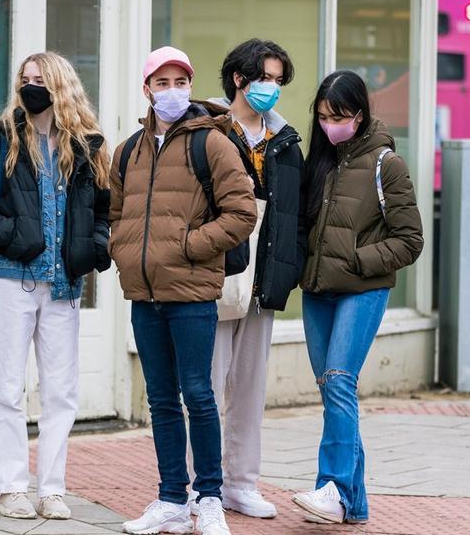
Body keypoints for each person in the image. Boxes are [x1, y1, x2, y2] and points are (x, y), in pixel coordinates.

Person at [0, 52, 112, 521]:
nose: (30, 87)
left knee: (61, 392)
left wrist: (94, 246)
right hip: (11, 279)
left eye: (39, 80)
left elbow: (106, 209)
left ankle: (52, 490)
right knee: (5, 388)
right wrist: (12, 235)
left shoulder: (87, 146)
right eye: (25, 79)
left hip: (65, 285)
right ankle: (10, 488)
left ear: (60, 85)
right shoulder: (1, 141)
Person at [110, 46, 257, 535]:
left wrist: (191, 245)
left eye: (181, 82)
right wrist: (123, 250)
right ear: (146, 89)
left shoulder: (211, 143)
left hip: (192, 294)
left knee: (198, 395)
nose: (172, 91)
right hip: (144, 295)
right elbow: (116, 214)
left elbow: (242, 213)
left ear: (190, 86)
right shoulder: (127, 151)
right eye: (162, 83)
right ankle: (172, 499)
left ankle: (209, 499)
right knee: (160, 400)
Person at [290, 70, 423, 525]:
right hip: (318, 292)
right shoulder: (319, 162)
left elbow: (410, 239)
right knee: (332, 389)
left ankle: (332, 488)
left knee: (339, 380)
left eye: (339, 116)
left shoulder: (387, 164)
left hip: (362, 290)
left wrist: (358, 261)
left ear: (360, 115)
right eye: (323, 117)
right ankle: (355, 501)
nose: (330, 125)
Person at [182, 39, 304, 520]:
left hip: (263, 279)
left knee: (250, 390)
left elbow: (294, 215)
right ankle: (199, 485)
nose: (271, 88)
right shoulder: (207, 129)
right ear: (239, 78)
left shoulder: (285, 141)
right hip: (216, 272)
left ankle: (241, 484)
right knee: (206, 387)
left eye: (277, 80)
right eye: (265, 78)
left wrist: (287, 269)